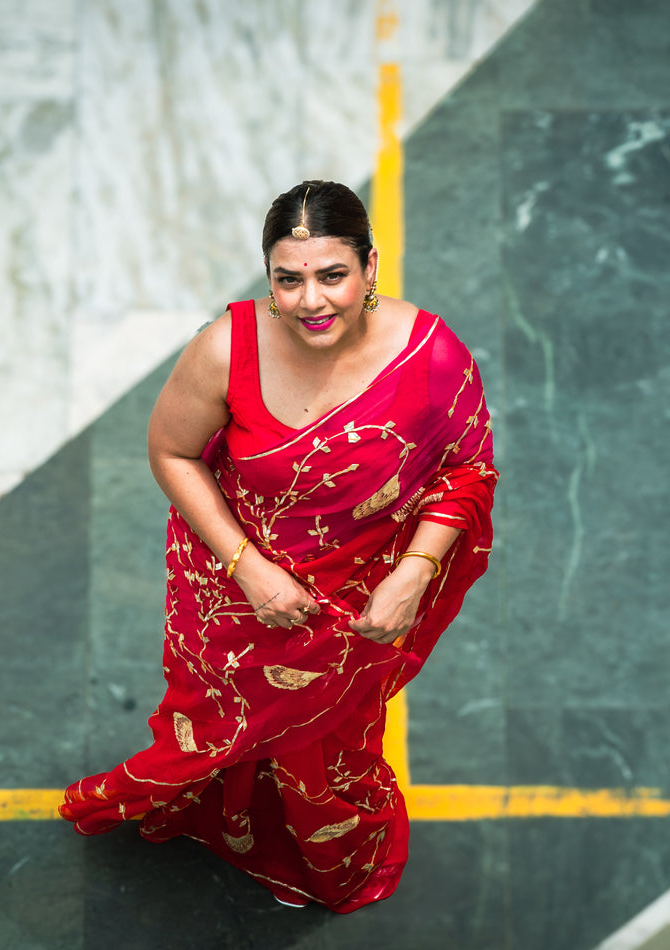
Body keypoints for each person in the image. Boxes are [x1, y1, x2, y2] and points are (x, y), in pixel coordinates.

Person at [60, 180, 497, 912]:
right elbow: (172, 453)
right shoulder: (223, 349)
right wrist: (249, 568)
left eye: (332, 275)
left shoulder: (429, 356)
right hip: (232, 597)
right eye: (287, 281)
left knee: (333, 745)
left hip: (356, 603)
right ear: (267, 279)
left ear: (369, 268)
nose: (310, 301)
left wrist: (415, 572)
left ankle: (321, 848)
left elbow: (468, 467)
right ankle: (209, 813)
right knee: (216, 719)